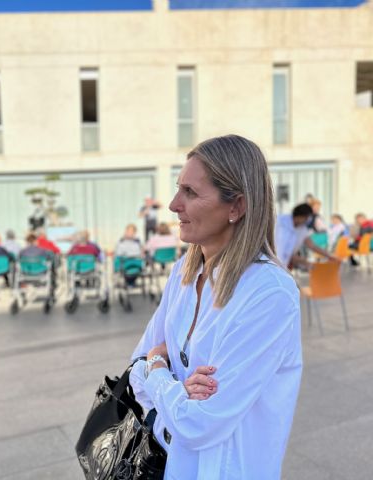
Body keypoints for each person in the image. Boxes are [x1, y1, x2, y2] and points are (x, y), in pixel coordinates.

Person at [128, 134, 302, 479]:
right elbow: (135, 370)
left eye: (190, 192)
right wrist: (171, 385)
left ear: (236, 206)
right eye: (179, 189)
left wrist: (158, 368)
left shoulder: (269, 295)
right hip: (166, 467)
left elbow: (199, 424)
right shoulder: (183, 273)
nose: (174, 204)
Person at [275, 203, 339, 270]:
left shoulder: (302, 229)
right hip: (271, 262)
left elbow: (312, 246)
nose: (308, 220)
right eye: (307, 218)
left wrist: (329, 256)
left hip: (283, 265)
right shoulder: (279, 222)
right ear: (301, 216)